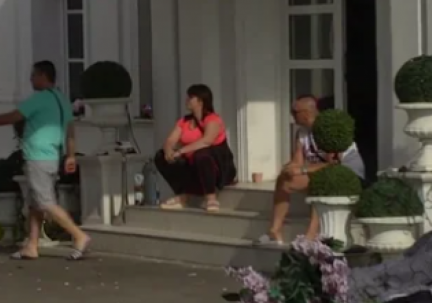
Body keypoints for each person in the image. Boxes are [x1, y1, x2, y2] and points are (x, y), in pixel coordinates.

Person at [0, 60, 91, 261]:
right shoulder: (62, 99)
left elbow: (14, 116)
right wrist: (70, 155)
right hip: (52, 156)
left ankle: (79, 235)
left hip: (38, 157)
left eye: (33, 75)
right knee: (34, 204)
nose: (31, 79)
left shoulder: (39, 99)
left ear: (43, 76)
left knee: (46, 202)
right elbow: (70, 130)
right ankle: (31, 245)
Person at [256, 95, 365, 246]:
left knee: (321, 182)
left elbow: (334, 164)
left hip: (347, 175)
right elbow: (297, 162)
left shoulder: (328, 129)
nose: (292, 115)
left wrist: (303, 169)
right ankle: (274, 232)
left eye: (295, 112)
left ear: (306, 113)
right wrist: (289, 168)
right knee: (284, 180)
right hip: (324, 173)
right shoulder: (302, 133)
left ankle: (310, 236)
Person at [155, 84, 237, 212]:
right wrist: (168, 151)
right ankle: (183, 194)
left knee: (201, 155)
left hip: (218, 166)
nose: (187, 100)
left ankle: (211, 198)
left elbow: (207, 141)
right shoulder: (184, 121)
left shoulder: (213, 119)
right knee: (161, 156)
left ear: (200, 101)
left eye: (191, 97)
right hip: (193, 166)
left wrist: (181, 151)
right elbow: (170, 140)